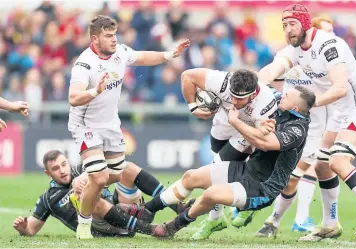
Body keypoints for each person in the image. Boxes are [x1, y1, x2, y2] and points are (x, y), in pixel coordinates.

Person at [258, 4, 356, 241]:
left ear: (306, 24)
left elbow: (340, 88)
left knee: (338, 160)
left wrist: (310, 102)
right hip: (341, 114)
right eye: (284, 26)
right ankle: (330, 224)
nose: (288, 30)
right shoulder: (294, 49)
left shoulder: (330, 45)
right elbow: (272, 70)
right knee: (321, 166)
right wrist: (253, 86)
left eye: (293, 24)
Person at [67, 15, 189, 239]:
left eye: (114, 35)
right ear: (95, 39)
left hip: (111, 123)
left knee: (114, 175)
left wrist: (169, 54)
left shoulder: (119, 52)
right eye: (108, 36)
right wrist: (95, 91)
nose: (114, 40)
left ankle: (83, 192)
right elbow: (74, 98)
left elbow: (142, 56)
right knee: (101, 177)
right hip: (86, 125)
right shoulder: (84, 64)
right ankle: (83, 224)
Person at [149, 86, 315, 238]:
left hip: (262, 187)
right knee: (190, 177)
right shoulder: (278, 103)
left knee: (211, 194)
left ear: (295, 108)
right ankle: (148, 210)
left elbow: (265, 143)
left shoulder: (297, 129)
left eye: (287, 96)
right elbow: (260, 81)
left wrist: (235, 121)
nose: (282, 95)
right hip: (246, 169)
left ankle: (172, 227)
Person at [156, 68, 280, 240]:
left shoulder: (266, 102)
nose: (234, 101)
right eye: (232, 96)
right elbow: (187, 76)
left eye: (240, 98)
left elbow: (261, 140)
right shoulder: (222, 81)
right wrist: (193, 107)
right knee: (217, 170)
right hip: (220, 127)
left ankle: (215, 218)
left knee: (216, 170)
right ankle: (229, 213)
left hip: (245, 133)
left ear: (252, 95)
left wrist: (236, 122)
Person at [254, 15, 333, 237]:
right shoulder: (294, 54)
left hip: (318, 128)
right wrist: (261, 84)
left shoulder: (333, 61)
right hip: (292, 124)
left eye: (332, 32)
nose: (331, 36)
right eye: (326, 31)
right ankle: (271, 217)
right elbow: (275, 71)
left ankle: (280, 221)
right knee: (289, 176)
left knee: (300, 174)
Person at [12, 150, 155, 237]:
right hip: (101, 228)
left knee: (126, 167)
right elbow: (31, 228)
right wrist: (23, 228)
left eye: (63, 164)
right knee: (85, 198)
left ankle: (168, 202)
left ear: (68, 163)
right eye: (55, 168)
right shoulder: (47, 199)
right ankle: (152, 229)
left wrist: (85, 176)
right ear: (47, 173)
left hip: (121, 213)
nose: (62, 170)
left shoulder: (79, 170)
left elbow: (107, 168)